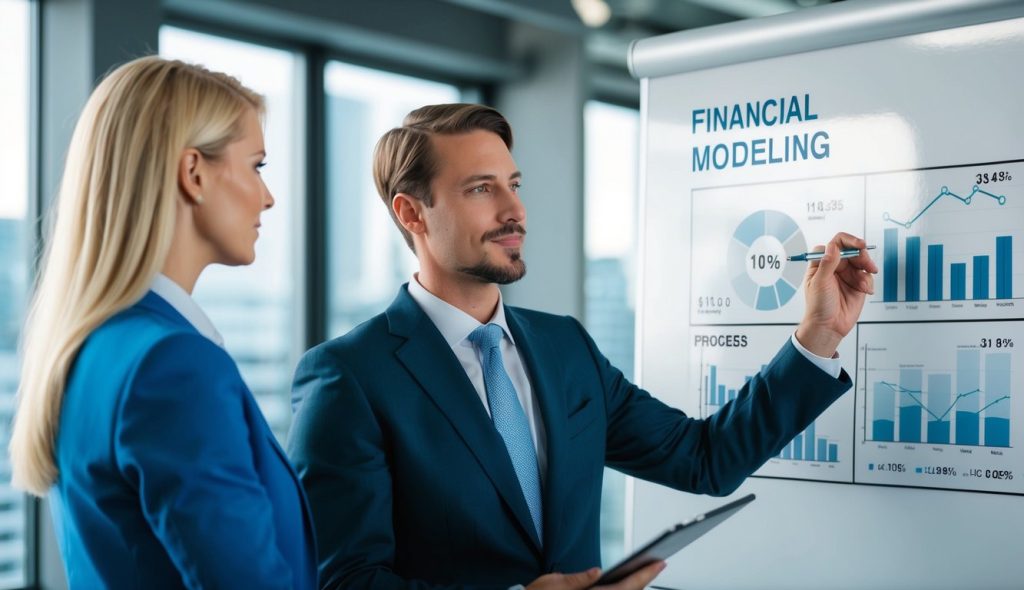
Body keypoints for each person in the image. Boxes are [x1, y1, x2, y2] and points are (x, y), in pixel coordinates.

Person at [287, 103, 877, 589]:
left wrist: (818, 335)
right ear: (411, 213)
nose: (514, 210)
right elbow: (347, 582)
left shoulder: (563, 345)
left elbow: (705, 458)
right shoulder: (349, 377)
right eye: (480, 189)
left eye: (513, 185)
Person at [7, 56, 317, 589]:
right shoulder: (173, 365)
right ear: (193, 172)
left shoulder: (95, 347)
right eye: (257, 166)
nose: (268, 197)